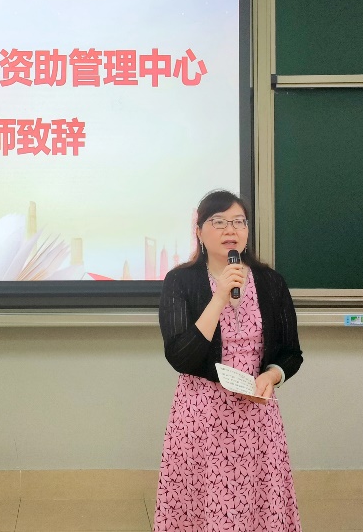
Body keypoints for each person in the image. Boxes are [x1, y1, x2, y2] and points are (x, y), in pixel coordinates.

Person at [153, 189, 303, 532]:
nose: (230, 230)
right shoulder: (181, 281)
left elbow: (291, 353)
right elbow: (181, 356)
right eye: (218, 222)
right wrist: (220, 296)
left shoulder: (271, 282)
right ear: (199, 231)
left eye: (238, 222)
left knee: (257, 506)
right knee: (201, 506)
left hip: (256, 416)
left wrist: (272, 376)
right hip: (201, 414)